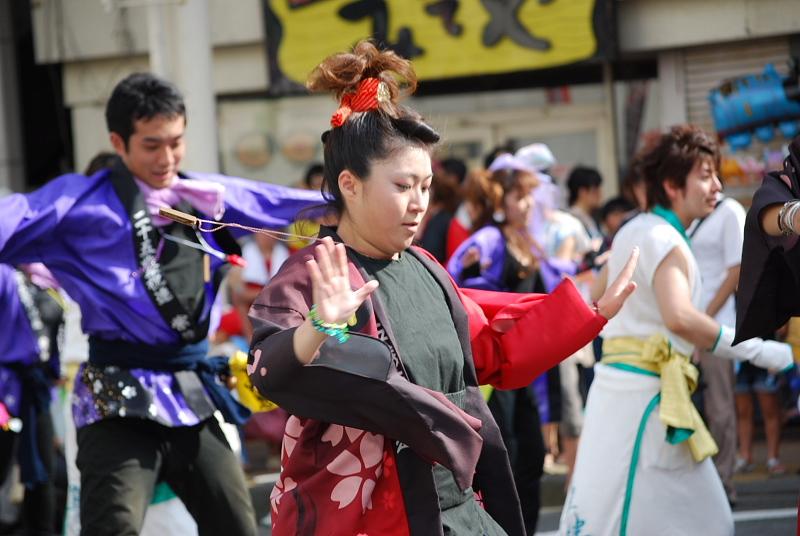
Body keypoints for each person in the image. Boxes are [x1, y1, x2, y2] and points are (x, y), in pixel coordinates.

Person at [247, 40, 639, 536]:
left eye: (425, 186)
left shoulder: (426, 267)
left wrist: (590, 310)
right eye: (402, 186)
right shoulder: (314, 271)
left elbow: (490, 346)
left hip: (455, 503)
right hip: (370, 516)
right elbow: (266, 370)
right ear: (350, 184)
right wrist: (320, 324)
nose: (419, 203)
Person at [0, 72, 323, 535]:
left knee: (238, 525)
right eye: (152, 145)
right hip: (116, 397)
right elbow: (13, 218)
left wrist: (349, 202)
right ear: (118, 142)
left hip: (190, 392)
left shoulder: (201, 196)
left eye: (176, 142)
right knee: (113, 528)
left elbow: (275, 202)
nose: (167, 158)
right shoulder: (79, 203)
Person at [560, 125, 793, 536]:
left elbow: (595, 298)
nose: (716, 185)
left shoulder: (633, 229)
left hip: (631, 396)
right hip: (647, 402)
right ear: (671, 185)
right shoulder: (662, 236)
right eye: (705, 175)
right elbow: (679, 317)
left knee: (675, 519)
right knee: (692, 521)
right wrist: (756, 349)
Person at [446, 156, 547, 534]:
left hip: (520, 366)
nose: (528, 204)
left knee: (532, 455)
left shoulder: (521, 238)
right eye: (519, 197)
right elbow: (457, 286)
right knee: (508, 459)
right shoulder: (488, 238)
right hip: (495, 370)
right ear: (500, 202)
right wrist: (474, 276)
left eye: (528, 196)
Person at [687, 191, 747, 502]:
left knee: (719, 407)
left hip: (715, 327)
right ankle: (700, 485)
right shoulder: (685, 211)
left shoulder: (729, 211)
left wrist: (702, 319)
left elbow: (736, 271)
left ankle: (723, 483)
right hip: (683, 326)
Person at [0, 263, 63, 535]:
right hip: (4, 392)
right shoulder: (5, 274)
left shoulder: (50, 281)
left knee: (42, 473)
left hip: (37, 394)